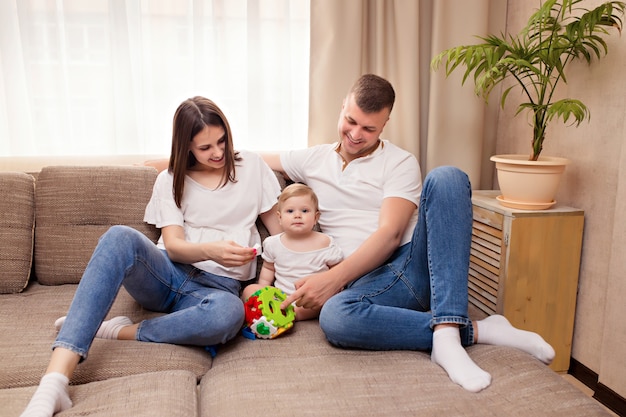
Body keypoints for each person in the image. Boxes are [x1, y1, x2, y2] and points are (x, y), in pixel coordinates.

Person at [262, 74, 555, 393]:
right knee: (336, 318)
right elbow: (249, 160)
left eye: (369, 129)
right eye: (351, 121)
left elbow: (390, 233)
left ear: (385, 124)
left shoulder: (399, 162)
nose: (356, 135)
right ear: (343, 106)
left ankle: (447, 332)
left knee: (448, 177)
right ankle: (474, 330)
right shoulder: (312, 158)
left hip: (408, 265)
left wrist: (332, 280)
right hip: (368, 285)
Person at [20, 96, 283, 417]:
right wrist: (212, 249)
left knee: (228, 314)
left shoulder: (252, 167)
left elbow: (280, 234)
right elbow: (173, 245)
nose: (217, 153)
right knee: (119, 237)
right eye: (204, 148)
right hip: (166, 274)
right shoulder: (170, 179)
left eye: (222, 141)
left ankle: (119, 330)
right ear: (186, 146)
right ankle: (54, 384)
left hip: (218, 289)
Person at [242, 183, 343, 320]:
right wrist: (263, 289)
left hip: (308, 298)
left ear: (316, 217)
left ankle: (289, 315)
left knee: (319, 304)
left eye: (305, 211)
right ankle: (272, 309)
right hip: (279, 296)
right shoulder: (273, 243)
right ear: (279, 218)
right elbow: (268, 268)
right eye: (290, 211)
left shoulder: (325, 242)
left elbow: (336, 272)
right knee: (249, 290)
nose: (297, 215)